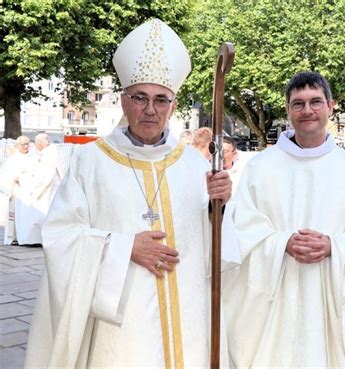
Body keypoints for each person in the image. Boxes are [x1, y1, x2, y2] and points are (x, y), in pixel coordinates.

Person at [24, 19, 236, 368]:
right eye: (140, 97)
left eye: (160, 100)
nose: (150, 109)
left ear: (173, 104)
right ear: (124, 101)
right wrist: (122, 248)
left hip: (188, 317)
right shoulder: (91, 162)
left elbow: (220, 250)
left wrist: (221, 207)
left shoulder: (194, 167)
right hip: (121, 324)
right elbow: (61, 236)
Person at [223, 71, 345, 368]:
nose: (307, 111)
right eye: (298, 104)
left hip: (325, 303)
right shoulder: (261, 168)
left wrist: (333, 246)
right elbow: (239, 230)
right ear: (288, 110)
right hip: (272, 306)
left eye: (315, 102)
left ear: (330, 106)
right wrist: (281, 243)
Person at [14, 133, 63, 245]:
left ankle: (33, 239)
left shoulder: (48, 154)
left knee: (35, 211)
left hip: (46, 190)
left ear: (40, 144)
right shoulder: (48, 152)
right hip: (47, 188)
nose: (34, 146)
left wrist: (28, 184)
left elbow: (44, 176)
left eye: (35, 144)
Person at [0, 135, 34, 245]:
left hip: (30, 192)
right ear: (18, 145)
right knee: (15, 215)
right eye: (23, 144)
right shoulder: (13, 159)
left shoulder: (34, 158)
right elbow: (4, 175)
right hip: (17, 191)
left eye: (27, 143)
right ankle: (14, 237)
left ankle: (27, 238)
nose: (25, 146)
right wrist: (12, 180)